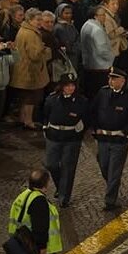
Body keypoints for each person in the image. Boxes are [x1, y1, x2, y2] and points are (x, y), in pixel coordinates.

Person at [89, 68, 128, 211]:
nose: (111, 81)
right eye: (110, 78)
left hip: (119, 141)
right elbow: (93, 111)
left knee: (114, 171)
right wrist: (95, 128)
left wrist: (124, 132)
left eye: (114, 78)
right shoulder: (103, 93)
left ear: (123, 81)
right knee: (104, 165)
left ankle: (110, 200)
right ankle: (113, 186)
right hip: (103, 138)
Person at [42, 73, 89, 208]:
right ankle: (60, 187)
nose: (70, 88)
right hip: (54, 136)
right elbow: (45, 114)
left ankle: (64, 197)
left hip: (71, 138)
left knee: (68, 168)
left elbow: (87, 118)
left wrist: (80, 130)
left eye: (73, 85)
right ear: (61, 86)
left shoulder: (81, 101)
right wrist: (46, 128)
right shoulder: (52, 99)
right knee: (51, 164)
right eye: (67, 85)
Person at [9, 8, 51, 129]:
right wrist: (44, 50)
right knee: (30, 98)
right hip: (30, 71)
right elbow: (35, 56)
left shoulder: (24, 30)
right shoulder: (31, 34)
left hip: (23, 69)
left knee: (25, 97)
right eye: (37, 20)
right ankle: (28, 121)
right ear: (30, 20)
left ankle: (23, 119)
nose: (39, 22)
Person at [80, 6, 114, 99]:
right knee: (100, 94)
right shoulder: (97, 30)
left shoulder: (86, 25)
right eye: (102, 15)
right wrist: (111, 58)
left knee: (91, 92)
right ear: (95, 16)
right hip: (100, 66)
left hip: (89, 64)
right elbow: (102, 50)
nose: (104, 17)